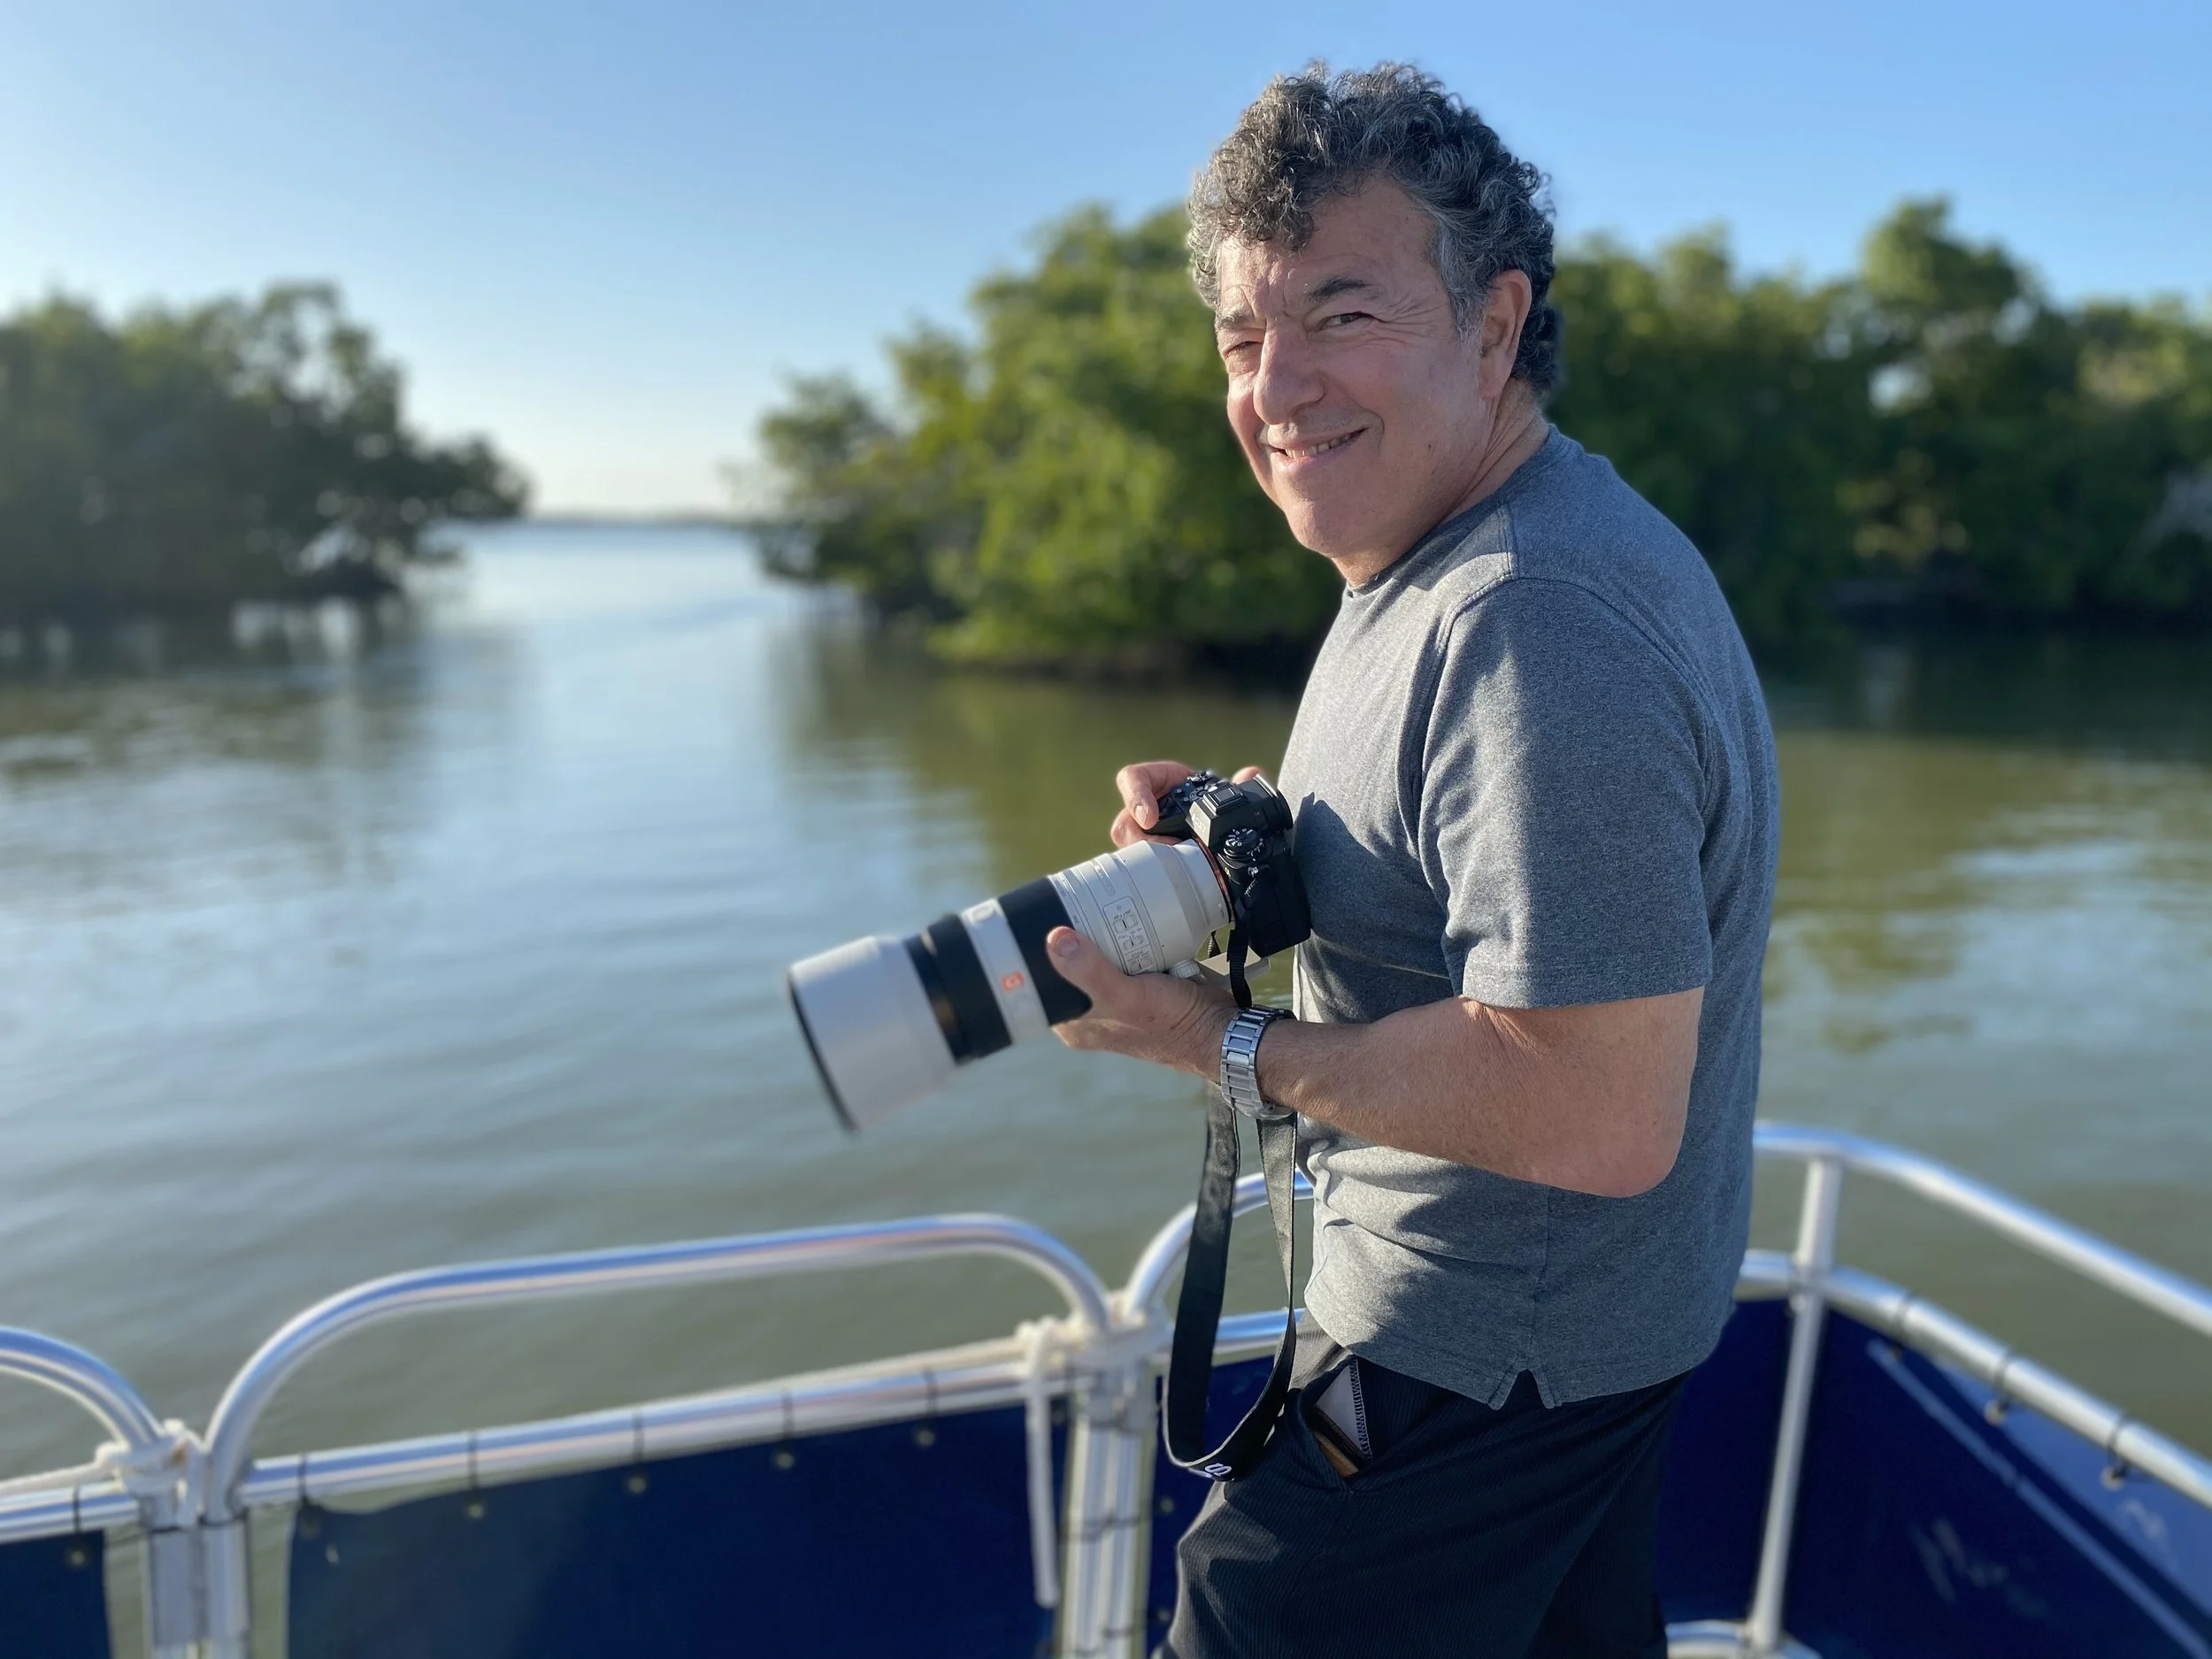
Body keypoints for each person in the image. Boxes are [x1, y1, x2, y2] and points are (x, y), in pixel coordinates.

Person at [1038, 64, 1780, 1659]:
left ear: (1494, 324)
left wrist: (1217, 1039)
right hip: (1572, 1356)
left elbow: (1597, 1102)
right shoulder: (1451, 558)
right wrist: (1259, 851)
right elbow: (1474, 872)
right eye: (1242, 337)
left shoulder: (1530, 614)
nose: (1277, 385)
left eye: (1343, 311)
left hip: (1468, 1367)